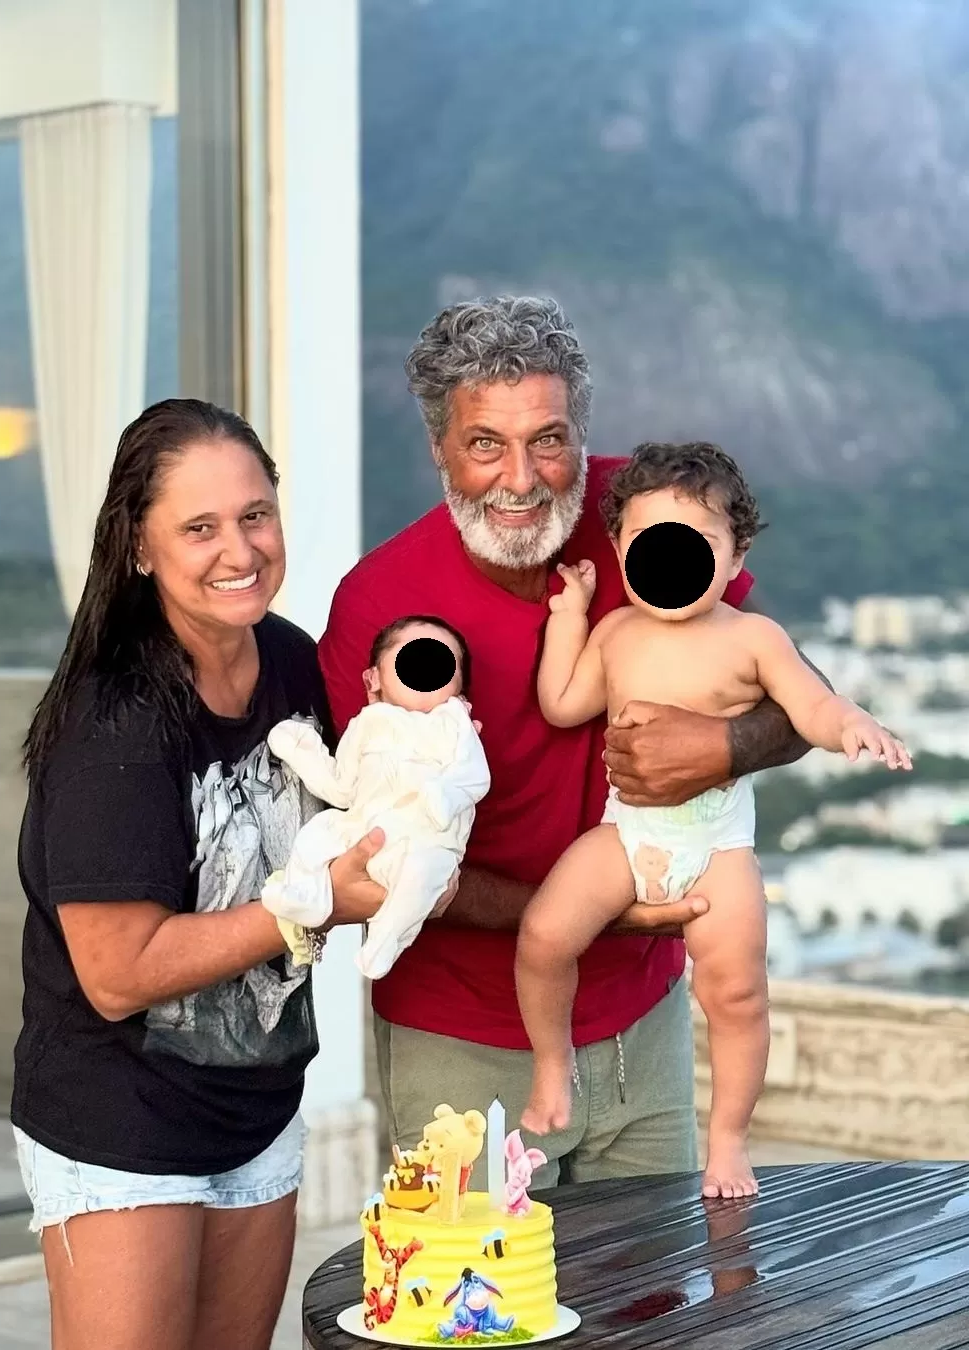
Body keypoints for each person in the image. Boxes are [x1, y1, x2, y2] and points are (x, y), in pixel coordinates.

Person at [319, 296, 830, 1189]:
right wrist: (586, 911)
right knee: (484, 1317)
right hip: (464, 1038)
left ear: (582, 437)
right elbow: (386, 851)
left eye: (548, 440)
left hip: (647, 1024)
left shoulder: (645, 514)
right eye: (485, 444)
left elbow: (794, 691)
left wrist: (724, 745)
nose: (521, 477)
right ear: (440, 447)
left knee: (654, 1310)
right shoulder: (378, 604)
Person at [11, 399, 387, 1350]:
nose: (240, 549)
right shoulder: (119, 720)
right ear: (141, 547)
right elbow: (118, 972)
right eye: (200, 527)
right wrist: (314, 907)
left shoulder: (296, 665)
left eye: (256, 515)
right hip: (120, 1125)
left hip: (255, 1108)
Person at [517, 440, 911, 1198]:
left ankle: (728, 1140)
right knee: (543, 936)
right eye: (649, 542)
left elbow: (811, 707)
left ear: (734, 557)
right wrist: (568, 617)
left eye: (695, 543)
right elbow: (562, 702)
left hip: (718, 846)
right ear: (624, 548)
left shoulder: (752, 638)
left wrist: (853, 724)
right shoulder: (616, 632)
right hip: (626, 834)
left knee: (736, 995)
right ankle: (551, 1064)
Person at [262, 616, 490, 978]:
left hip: (424, 834)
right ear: (374, 679)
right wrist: (300, 749)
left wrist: (441, 795)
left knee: (422, 874)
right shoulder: (368, 723)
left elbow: (475, 776)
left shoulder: (452, 724)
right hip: (362, 826)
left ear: (458, 691)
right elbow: (341, 784)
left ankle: (386, 940)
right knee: (318, 832)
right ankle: (302, 893)